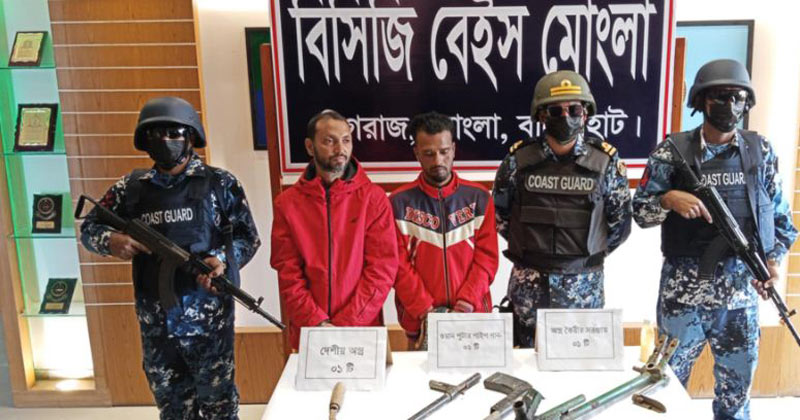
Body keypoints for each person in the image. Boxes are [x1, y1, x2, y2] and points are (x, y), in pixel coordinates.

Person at [633, 59, 797, 420]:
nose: (730, 104)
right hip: (682, 300)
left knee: (735, 401)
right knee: (664, 391)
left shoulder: (760, 152)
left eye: (738, 97)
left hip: (739, 301)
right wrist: (668, 199)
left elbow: (782, 221)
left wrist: (771, 262)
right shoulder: (672, 151)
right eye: (720, 96)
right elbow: (640, 212)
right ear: (702, 101)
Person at [80, 97, 260, 419]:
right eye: (155, 134)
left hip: (210, 327)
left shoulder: (220, 184)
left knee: (220, 409)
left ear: (191, 135)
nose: (165, 140)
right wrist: (112, 241)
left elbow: (248, 237)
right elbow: (90, 227)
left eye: (174, 132)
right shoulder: (130, 188)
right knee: (174, 411)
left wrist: (221, 259)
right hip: (157, 328)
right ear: (144, 140)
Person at [493, 70, 632, 348]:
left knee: (579, 366)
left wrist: (583, 257)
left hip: (583, 293)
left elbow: (619, 225)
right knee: (526, 364)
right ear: (541, 115)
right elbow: (501, 218)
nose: (566, 117)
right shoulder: (517, 161)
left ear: (586, 113)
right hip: (529, 291)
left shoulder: (605, 162)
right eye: (555, 111)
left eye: (574, 110)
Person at [270, 109, 398, 350]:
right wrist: (316, 322)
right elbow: (287, 272)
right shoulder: (287, 204)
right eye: (330, 141)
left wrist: (346, 324)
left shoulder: (373, 199)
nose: (341, 149)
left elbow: (382, 269)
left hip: (362, 330)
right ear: (310, 147)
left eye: (346, 140)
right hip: (310, 331)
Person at [389, 112, 499, 349]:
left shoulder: (479, 198)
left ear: (454, 149)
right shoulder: (398, 203)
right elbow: (397, 265)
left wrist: (464, 305)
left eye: (444, 151)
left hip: (472, 318)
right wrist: (427, 311)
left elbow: (487, 259)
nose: (438, 160)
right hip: (420, 322)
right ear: (416, 153)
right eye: (429, 153)